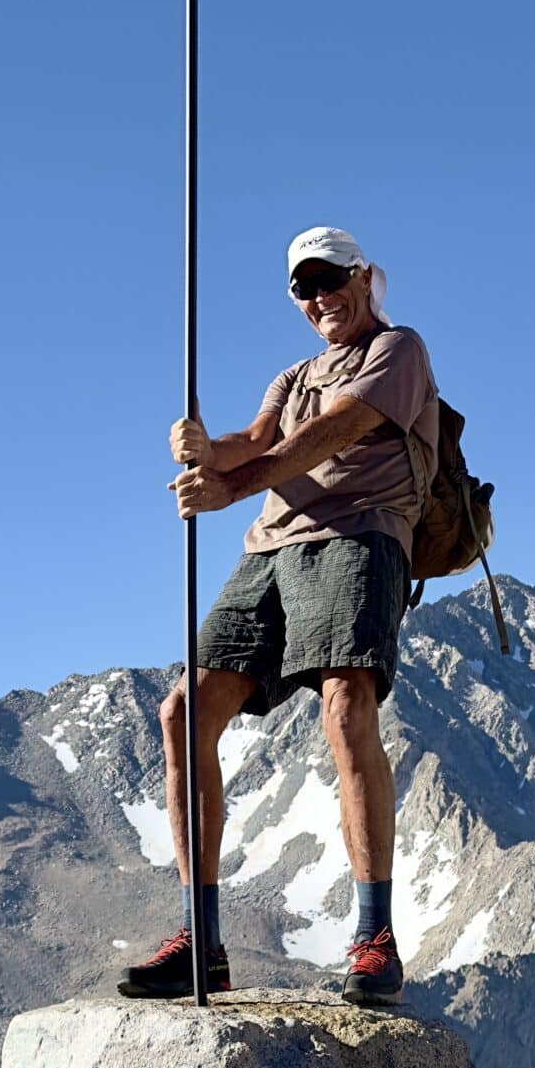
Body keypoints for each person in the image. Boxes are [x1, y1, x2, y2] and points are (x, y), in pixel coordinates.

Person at [117, 225, 440, 1007]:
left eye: (330, 278)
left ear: (363, 276)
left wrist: (232, 483)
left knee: (345, 704)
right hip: (269, 551)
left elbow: (333, 432)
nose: (318, 296)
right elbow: (257, 440)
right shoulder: (291, 375)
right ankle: (202, 942)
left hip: (358, 534)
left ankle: (374, 940)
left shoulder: (397, 352)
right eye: (303, 286)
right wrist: (202, 448)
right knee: (181, 712)